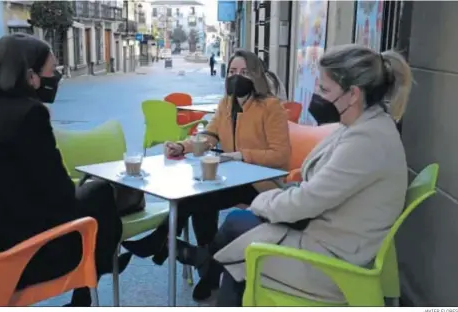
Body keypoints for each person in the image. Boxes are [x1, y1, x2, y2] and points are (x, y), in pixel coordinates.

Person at [175, 44, 413, 306]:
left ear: (353, 94)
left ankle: (204, 261)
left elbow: (304, 201)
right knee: (233, 228)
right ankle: (205, 261)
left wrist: (263, 202)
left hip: (330, 264)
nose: (316, 95)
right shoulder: (363, 126)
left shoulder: (366, 141)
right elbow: (323, 186)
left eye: (324, 89)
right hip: (328, 237)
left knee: (238, 256)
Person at [0, 34, 129, 307]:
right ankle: (96, 272)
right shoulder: (29, 115)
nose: (56, 78)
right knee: (102, 194)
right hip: (17, 256)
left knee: (99, 200)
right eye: (52, 71)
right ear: (31, 76)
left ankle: (98, 269)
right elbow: (62, 197)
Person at [122, 49, 291, 301]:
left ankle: (164, 244)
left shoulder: (270, 106)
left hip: (261, 181)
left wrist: (241, 155)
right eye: (232, 72)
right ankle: (207, 271)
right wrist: (184, 146)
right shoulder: (226, 104)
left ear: (255, 75)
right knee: (200, 195)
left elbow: (280, 156)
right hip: (234, 176)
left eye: (244, 72)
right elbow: (210, 136)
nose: (237, 77)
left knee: (200, 199)